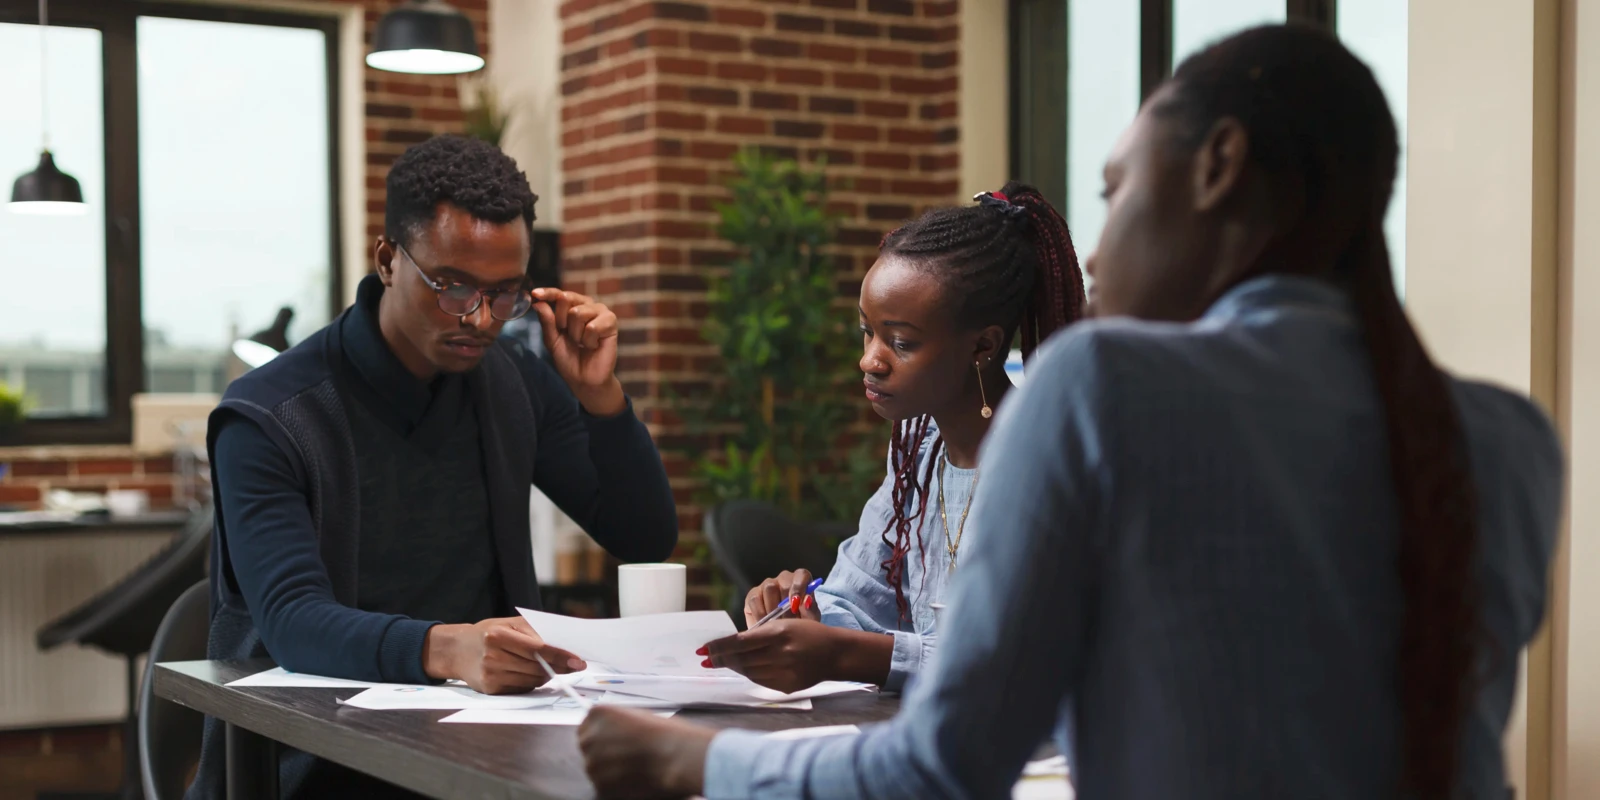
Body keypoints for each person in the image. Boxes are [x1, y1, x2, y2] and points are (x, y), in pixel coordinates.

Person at [576, 25, 1565, 800]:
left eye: (1114, 190)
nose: (1093, 254)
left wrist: (687, 759)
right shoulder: (1510, 437)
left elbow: (941, 767)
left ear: (1217, 165)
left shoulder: (1099, 382)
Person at [189, 135, 678, 799]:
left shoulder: (512, 381)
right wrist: (450, 649)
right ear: (388, 260)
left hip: (487, 749)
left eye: (503, 293)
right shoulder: (271, 415)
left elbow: (644, 537)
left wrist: (602, 399)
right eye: (453, 287)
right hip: (310, 761)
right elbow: (293, 622)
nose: (479, 319)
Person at [698, 184, 1086, 694]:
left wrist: (847, 654)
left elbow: (1020, 655)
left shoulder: (1049, 465)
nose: (870, 360)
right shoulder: (919, 449)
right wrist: (806, 616)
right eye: (867, 331)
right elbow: (858, 596)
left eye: (901, 342)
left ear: (983, 346)